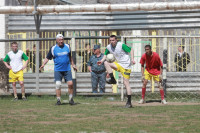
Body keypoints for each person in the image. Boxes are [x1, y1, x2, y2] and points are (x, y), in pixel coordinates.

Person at [97, 35, 135, 108]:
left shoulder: (121, 45)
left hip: (126, 65)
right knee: (106, 62)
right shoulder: (109, 47)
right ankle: (113, 79)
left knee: (126, 82)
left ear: (116, 40)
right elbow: (105, 54)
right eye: (110, 40)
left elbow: (131, 50)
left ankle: (129, 102)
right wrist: (101, 61)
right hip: (119, 64)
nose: (112, 42)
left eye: (113, 40)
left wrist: (132, 59)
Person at [40, 34, 77, 105]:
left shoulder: (67, 46)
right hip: (58, 70)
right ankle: (58, 100)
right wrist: (43, 64)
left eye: (62, 40)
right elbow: (48, 57)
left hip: (67, 69)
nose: (61, 41)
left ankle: (71, 99)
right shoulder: (53, 48)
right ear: (56, 40)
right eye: (59, 40)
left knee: (70, 84)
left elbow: (70, 57)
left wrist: (73, 65)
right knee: (58, 84)